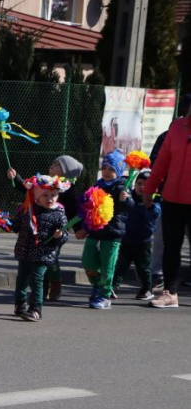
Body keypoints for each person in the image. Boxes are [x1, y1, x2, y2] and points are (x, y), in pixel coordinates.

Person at [7, 154, 85, 301]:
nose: (52, 165)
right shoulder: (44, 182)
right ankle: (41, 289)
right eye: (53, 162)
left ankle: (55, 283)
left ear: (66, 171)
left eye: (57, 164)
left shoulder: (68, 190)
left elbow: (74, 211)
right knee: (38, 261)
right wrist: (16, 178)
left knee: (51, 259)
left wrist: (78, 228)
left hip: (55, 232)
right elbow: (28, 189)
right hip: (39, 227)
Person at [144, 106, 191, 308]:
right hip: (172, 198)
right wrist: (149, 188)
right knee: (171, 247)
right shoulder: (177, 127)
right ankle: (170, 292)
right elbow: (162, 160)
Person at [10, 175, 70, 321]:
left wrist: (60, 235)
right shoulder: (28, 208)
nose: (50, 199)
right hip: (24, 250)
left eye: (53, 195)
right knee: (22, 278)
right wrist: (5, 222)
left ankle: (36, 309)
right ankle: (20, 303)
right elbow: (16, 225)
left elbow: (65, 235)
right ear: (37, 196)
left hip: (44, 253)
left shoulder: (58, 213)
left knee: (37, 279)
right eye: (45, 195)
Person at [82, 149, 132, 310]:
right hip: (95, 230)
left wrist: (125, 200)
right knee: (88, 261)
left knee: (107, 267)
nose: (107, 172)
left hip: (112, 233)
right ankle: (98, 284)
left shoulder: (122, 186)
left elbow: (130, 207)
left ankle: (104, 295)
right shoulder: (98, 185)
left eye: (111, 169)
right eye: (104, 168)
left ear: (118, 170)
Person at [113, 169, 161, 300]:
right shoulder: (130, 196)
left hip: (143, 242)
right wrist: (122, 199)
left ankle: (147, 289)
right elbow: (123, 208)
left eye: (146, 184)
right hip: (127, 238)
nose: (142, 187)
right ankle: (113, 286)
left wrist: (148, 204)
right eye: (139, 183)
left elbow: (151, 214)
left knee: (143, 268)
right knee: (121, 265)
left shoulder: (155, 201)